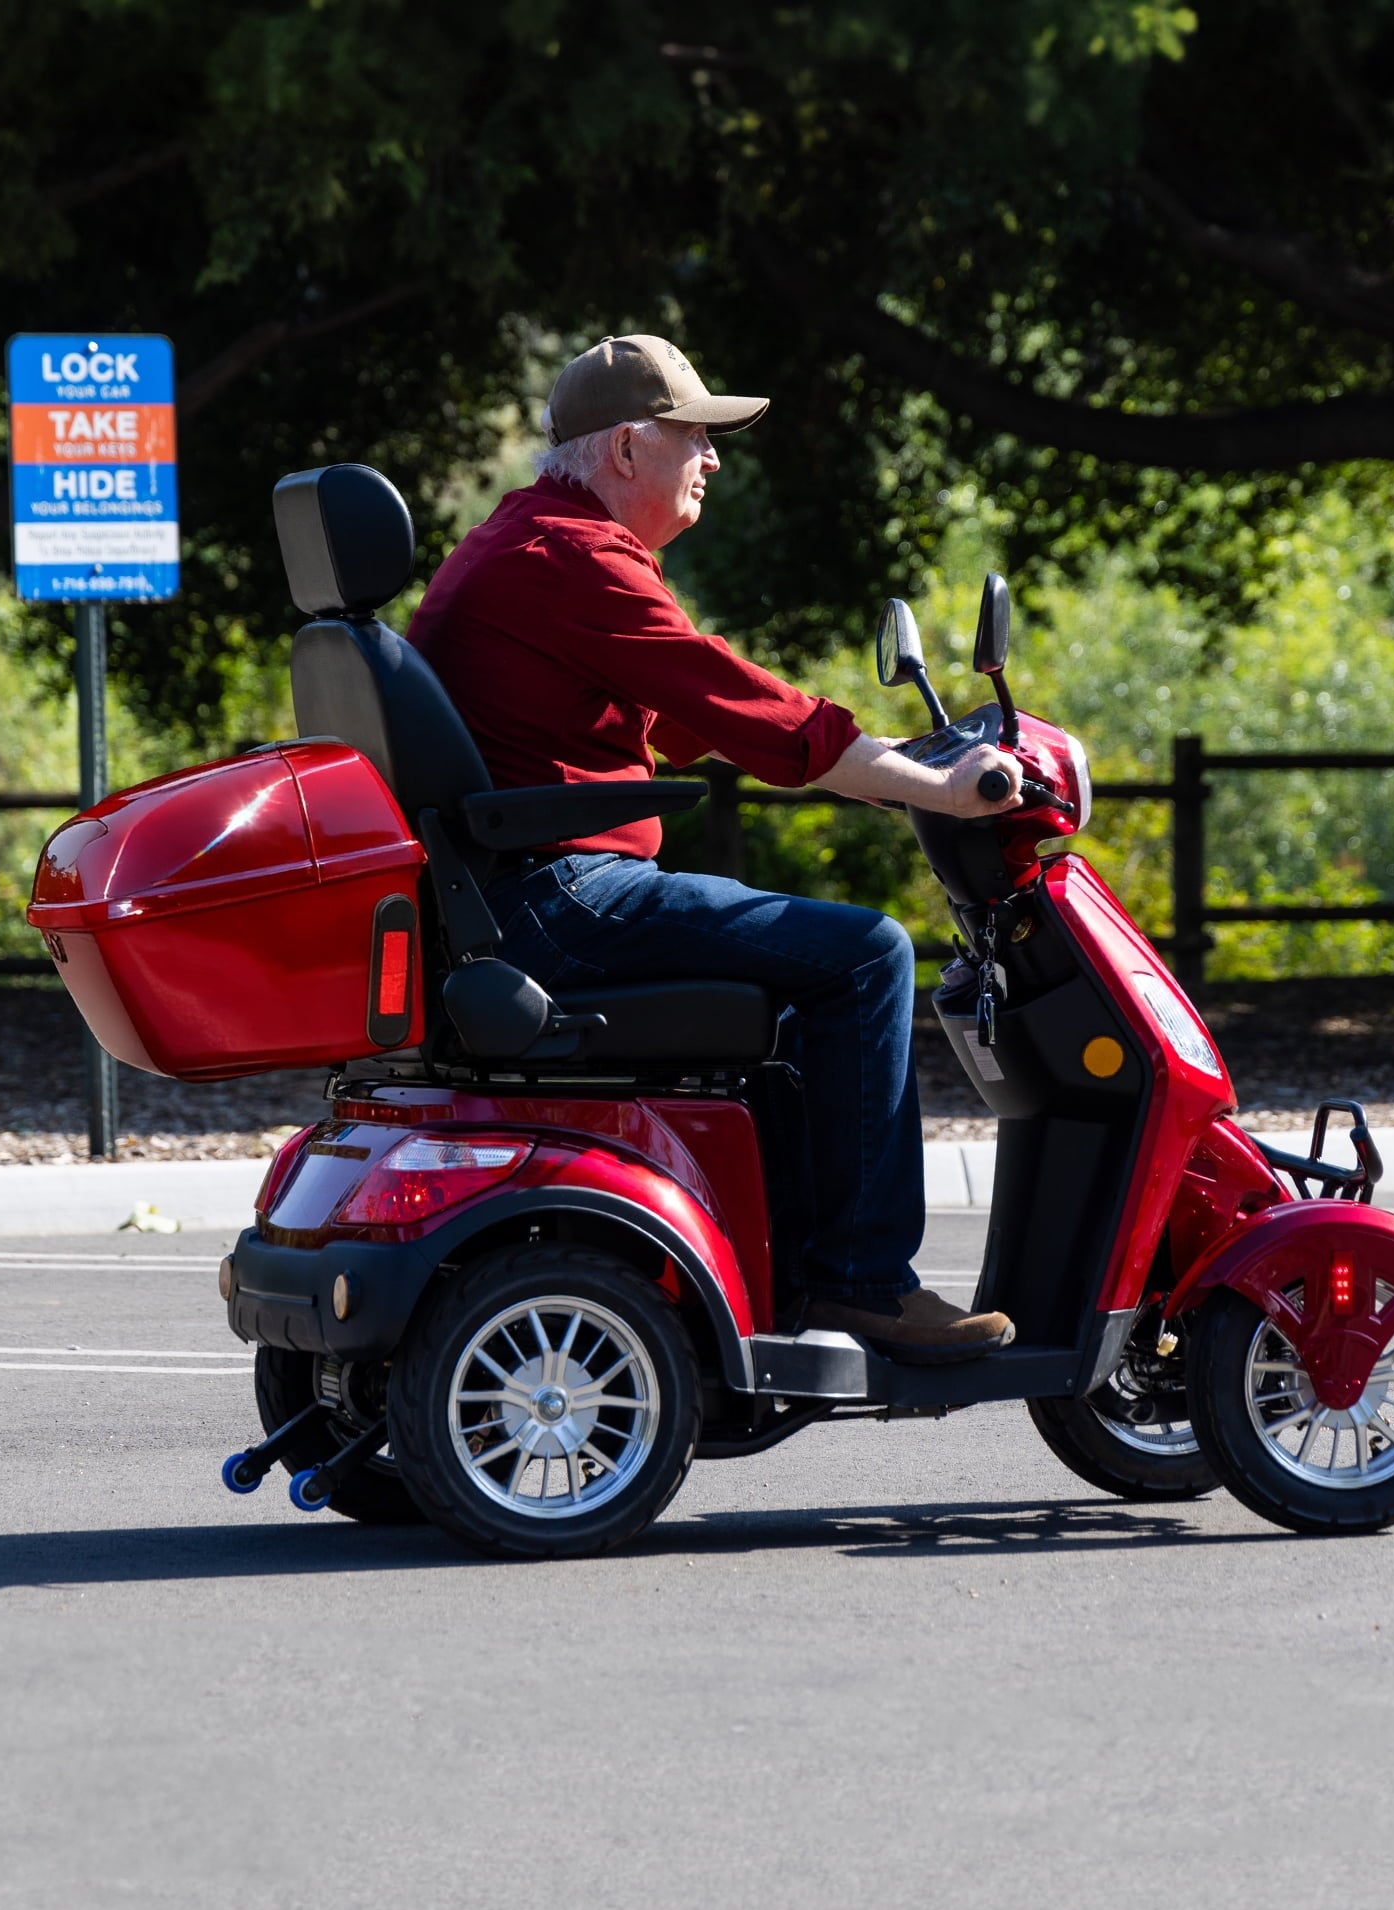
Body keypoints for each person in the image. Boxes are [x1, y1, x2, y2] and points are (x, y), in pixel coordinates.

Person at [408, 334, 1023, 1363]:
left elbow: (701, 710)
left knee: (803, 969)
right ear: (625, 449)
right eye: (693, 435)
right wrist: (941, 788)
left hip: (517, 891)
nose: (713, 458)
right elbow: (740, 704)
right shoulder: (575, 559)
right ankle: (863, 1283)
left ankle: (791, 1254)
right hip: (559, 896)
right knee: (866, 953)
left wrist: (887, 762)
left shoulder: (530, 542)